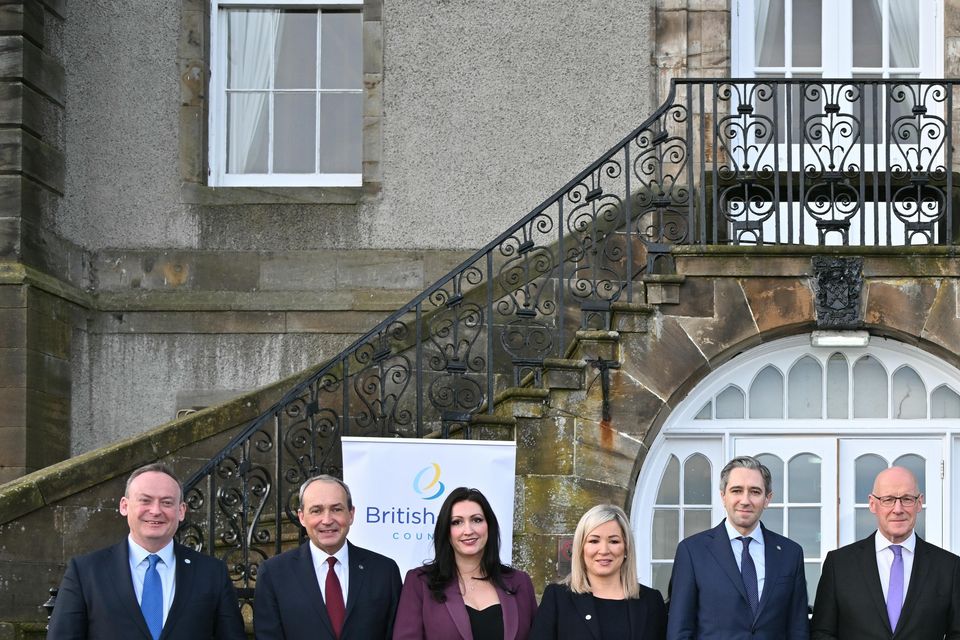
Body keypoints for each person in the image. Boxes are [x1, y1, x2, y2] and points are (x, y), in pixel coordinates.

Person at [46, 462, 245, 640]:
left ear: (181, 510)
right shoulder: (85, 572)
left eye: (167, 502)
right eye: (145, 500)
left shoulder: (212, 573)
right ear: (124, 506)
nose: (156, 510)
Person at [667, 456, 809, 639]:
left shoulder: (791, 553)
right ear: (723, 496)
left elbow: (798, 629)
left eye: (755, 492)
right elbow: (680, 629)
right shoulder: (692, 552)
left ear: (767, 499)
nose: (745, 500)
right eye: (736, 490)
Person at [811, 465, 960, 639]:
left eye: (907, 499)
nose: (898, 509)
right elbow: (822, 633)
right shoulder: (839, 564)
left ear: (919, 503)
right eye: (888, 499)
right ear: (873, 504)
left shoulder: (949, 567)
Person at [254, 474, 402, 639]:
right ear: (302, 517)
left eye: (336, 509)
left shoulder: (384, 571)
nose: (327, 520)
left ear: (351, 514)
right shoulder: (274, 573)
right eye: (316, 510)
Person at [393, 487, 537, 639]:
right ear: (446, 531)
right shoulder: (420, 582)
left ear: (489, 526)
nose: (468, 530)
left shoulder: (520, 582)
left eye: (476, 520)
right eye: (457, 522)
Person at [529, 503, 666, 640]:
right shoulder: (558, 598)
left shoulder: (651, 601)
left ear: (626, 548)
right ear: (581, 548)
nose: (604, 550)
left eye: (613, 541)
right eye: (594, 541)